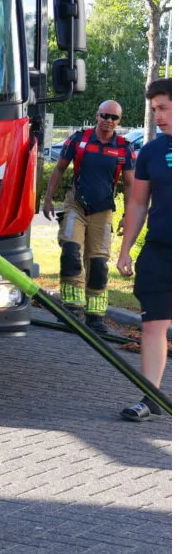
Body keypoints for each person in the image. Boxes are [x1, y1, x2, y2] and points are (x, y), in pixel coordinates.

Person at [42, 101, 134, 334]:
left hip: (103, 211)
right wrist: (48, 198)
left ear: (119, 121)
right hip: (76, 205)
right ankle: (72, 310)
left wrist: (127, 215)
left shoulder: (123, 148)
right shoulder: (79, 140)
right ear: (97, 115)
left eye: (114, 117)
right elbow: (59, 168)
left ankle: (95, 317)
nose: (108, 120)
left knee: (99, 264)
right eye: (105, 115)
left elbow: (130, 184)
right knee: (71, 251)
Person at [116, 79, 172, 421]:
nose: (158, 116)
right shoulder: (151, 151)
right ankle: (151, 397)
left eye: (164, 108)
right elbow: (137, 204)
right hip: (160, 251)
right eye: (154, 110)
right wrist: (125, 250)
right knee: (153, 325)